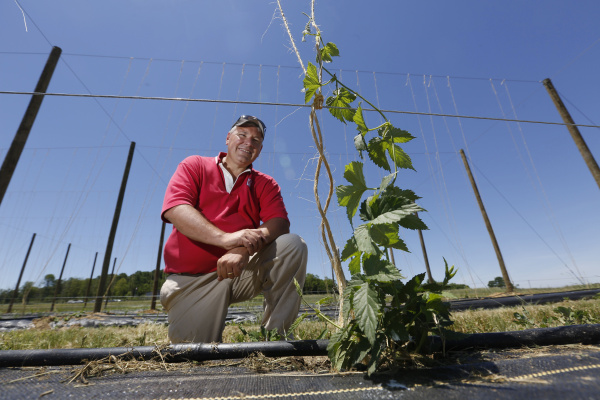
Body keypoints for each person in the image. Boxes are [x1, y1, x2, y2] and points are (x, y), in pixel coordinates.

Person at [160, 115, 307, 343]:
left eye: (256, 140)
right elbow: (176, 208)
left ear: (259, 149)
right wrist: (226, 239)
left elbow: (279, 222)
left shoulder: (265, 183)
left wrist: (244, 249)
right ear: (228, 138)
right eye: (242, 135)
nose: (249, 143)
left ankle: (276, 340)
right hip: (193, 280)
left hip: (241, 271)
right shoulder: (195, 165)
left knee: (293, 245)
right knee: (193, 357)